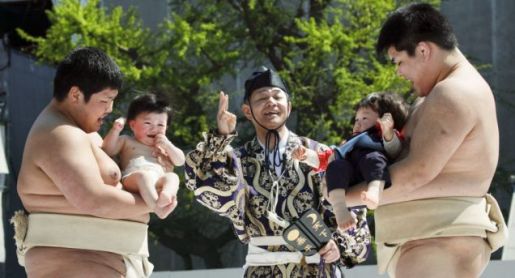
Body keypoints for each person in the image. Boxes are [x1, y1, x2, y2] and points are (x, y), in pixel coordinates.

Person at [345, 3, 507, 278]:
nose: (398, 72)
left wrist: (341, 197)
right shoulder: (440, 94)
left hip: (441, 244)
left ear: (423, 50)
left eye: (399, 61)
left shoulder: (454, 92)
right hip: (433, 240)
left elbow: (417, 173)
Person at [184, 66, 371, 277]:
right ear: (247, 111)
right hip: (262, 270)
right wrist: (220, 136)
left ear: (288, 107)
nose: (271, 102)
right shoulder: (237, 160)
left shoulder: (319, 153)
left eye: (277, 97)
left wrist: (338, 244)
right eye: (262, 98)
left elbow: (351, 209)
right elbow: (202, 185)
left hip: (316, 268)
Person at [13, 47, 166, 277]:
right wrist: (155, 202)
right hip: (75, 266)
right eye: (105, 100)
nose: (110, 109)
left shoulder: (82, 132)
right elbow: (94, 199)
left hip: (104, 262)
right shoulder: (59, 133)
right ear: (75, 94)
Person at [293, 92, 408, 231]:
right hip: (347, 178)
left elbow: (395, 150)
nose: (357, 124)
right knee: (335, 165)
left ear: (384, 120)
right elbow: (327, 158)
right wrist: (307, 155)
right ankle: (340, 208)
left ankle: (374, 191)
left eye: (364, 118)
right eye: (356, 119)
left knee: (373, 158)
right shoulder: (349, 143)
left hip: (370, 174)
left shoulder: (383, 136)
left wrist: (388, 132)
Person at [102, 93, 185, 219]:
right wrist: (115, 130)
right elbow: (108, 150)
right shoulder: (127, 140)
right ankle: (158, 209)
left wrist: (168, 145)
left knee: (173, 177)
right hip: (134, 178)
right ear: (133, 125)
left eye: (160, 125)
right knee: (144, 176)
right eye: (148, 123)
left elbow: (180, 161)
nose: (154, 128)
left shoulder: (163, 146)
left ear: (166, 127)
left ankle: (166, 195)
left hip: (158, 180)